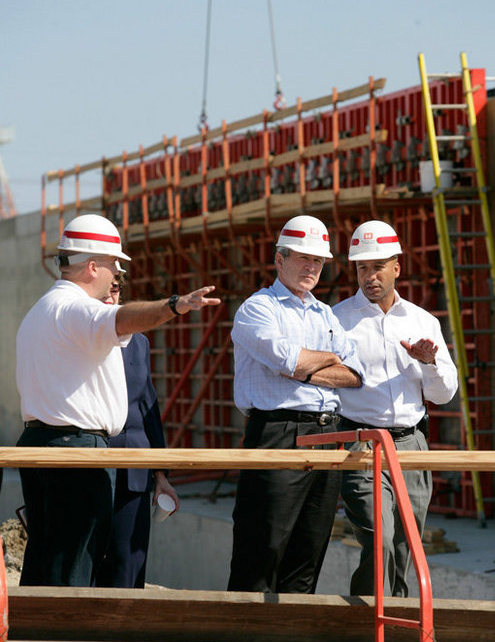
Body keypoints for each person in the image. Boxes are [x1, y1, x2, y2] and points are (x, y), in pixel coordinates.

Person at [16, 213, 220, 589]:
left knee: (49, 553)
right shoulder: (76, 309)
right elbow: (123, 318)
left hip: (45, 445)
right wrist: (174, 305)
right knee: (77, 558)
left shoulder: (43, 309)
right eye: (114, 267)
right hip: (76, 451)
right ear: (93, 266)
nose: (117, 277)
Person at [228, 215, 364, 595]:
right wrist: (322, 361)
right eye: (303, 258)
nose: (311, 267)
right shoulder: (259, 309)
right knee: (262, 545)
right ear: (279, 259)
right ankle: (243, 641)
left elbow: (355, 375)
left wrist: (303, 368)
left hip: (328, 432)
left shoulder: (326, 314)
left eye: (318, 261)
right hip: (278, 431)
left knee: (310, 543)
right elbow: (289, 361)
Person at [332, 219, 458, 597]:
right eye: (362, 268)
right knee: (379, 537)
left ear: (396, 268)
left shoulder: (423, 322)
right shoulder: (336, 321)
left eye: (378, 267)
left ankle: (400, 628)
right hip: (362, 445)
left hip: (411, 445)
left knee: (407, 543)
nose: (369, 276)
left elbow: (445, 393)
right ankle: (368, 625)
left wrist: (428, 363)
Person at [95, 276, 179, 589]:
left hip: (133, 467)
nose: (114, 289)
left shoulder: (139, 342)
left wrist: (161, 475)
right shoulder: (78, 337)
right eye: (109, 282)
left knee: (128, 560)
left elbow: (148, 408)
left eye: (119, 283)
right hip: (89, 459)